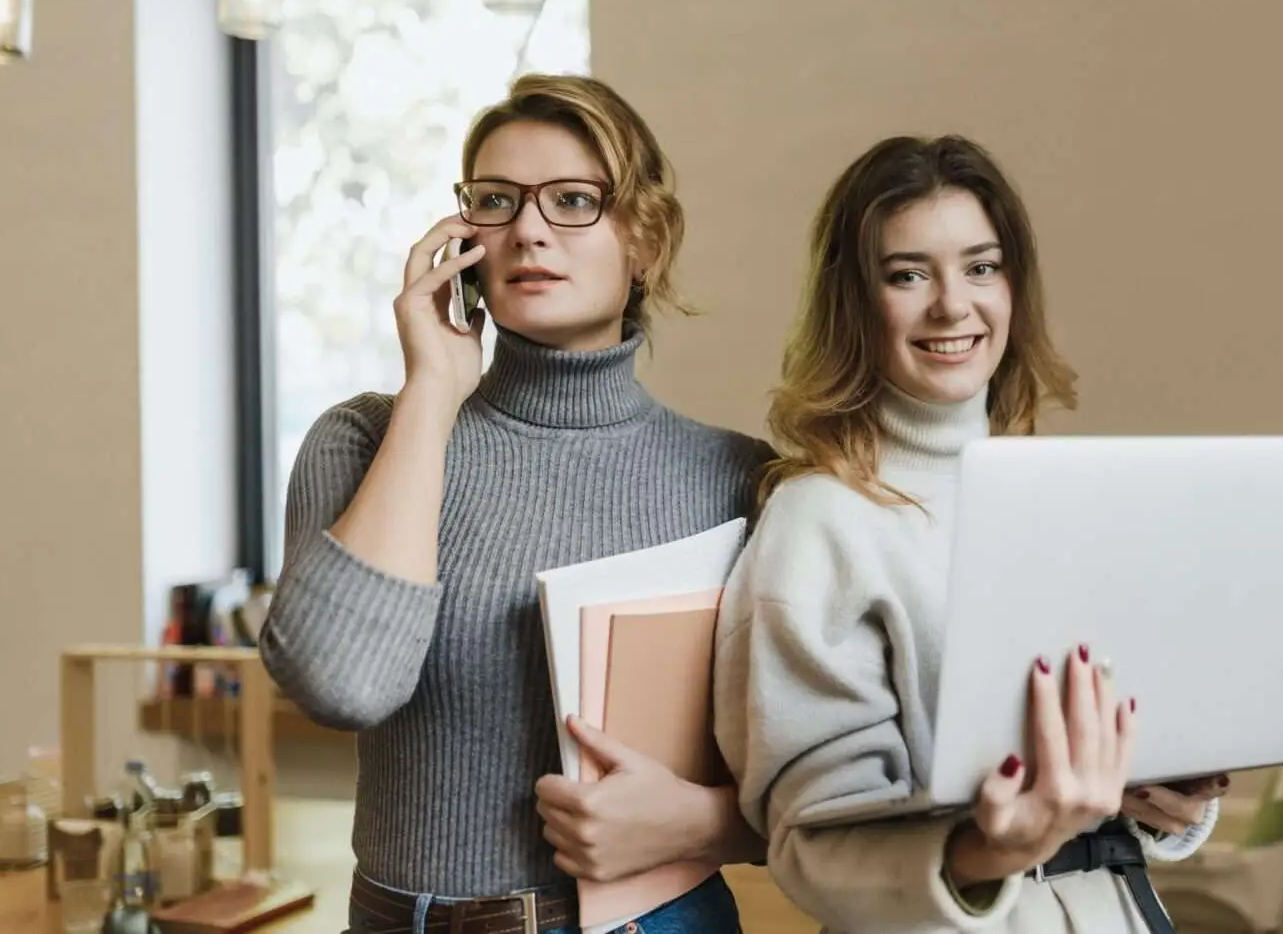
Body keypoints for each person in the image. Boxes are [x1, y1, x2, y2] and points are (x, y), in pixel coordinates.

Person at [260, 73, 770, 934]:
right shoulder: (365, 439)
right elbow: (340, 685)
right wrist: (433, 389)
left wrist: (702, 822)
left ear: (644, 240)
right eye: (497, 201)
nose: (529, 228)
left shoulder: (736, 479)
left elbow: (824, 793)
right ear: (464, 238)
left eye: (573, 199)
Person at [712, 134, 1226, 934]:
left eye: (981, 266)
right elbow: (810, 845)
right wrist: (987, 846)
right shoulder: (821, 521)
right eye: (908, 273)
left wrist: (1161, 799)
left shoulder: (1061, 492)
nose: (954, 304)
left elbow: (1101, 769)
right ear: (855, 300)